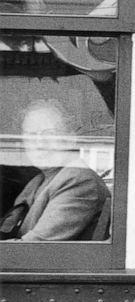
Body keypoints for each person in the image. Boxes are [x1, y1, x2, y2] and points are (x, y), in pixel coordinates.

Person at [1, 99, 110, 241]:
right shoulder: (37, 181)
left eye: (49, 133)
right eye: (31, 135)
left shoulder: (78, 179)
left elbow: (35, 247)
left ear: (71, 139)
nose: (39, 143)